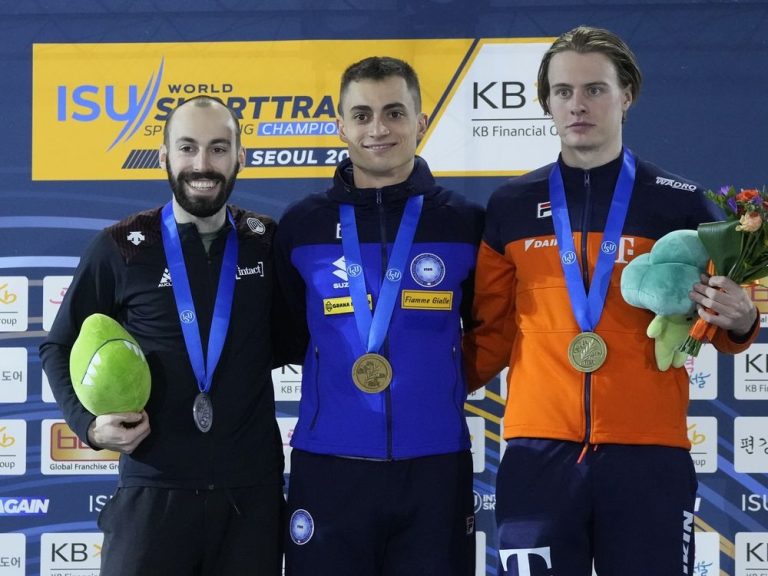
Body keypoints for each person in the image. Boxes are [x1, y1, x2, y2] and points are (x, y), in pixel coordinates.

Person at [463, 25, 759, 576]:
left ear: (626, 95)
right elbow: (492, 330)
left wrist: (743, 321)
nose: (579, 105)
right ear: (546, 102)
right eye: (564, 91)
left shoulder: (680, 203)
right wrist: (425, 385)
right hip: (537, 452)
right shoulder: (511, 206)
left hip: (649, 452)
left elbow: (717, 324)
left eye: (595, 89)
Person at [40, 96, 285, 576]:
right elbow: (58, 344)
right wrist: (88, 427)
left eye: (218, 149)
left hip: (250, 497)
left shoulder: (270, 242)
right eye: (187, 148)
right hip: (153, 491)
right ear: (164, 157)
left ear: (241, 156)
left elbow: (307, 336)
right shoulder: (122, 247)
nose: (202, 164)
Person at [274, 56, 484, 576]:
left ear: (422, 120)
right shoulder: (303, 225)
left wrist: (435, 388)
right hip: (329, 465)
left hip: (435, 464)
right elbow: (284, 335)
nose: (378, 129)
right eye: (362, 115)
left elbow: (491, 331)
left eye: (394, 112)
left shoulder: (466, 223)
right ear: (340, 125)